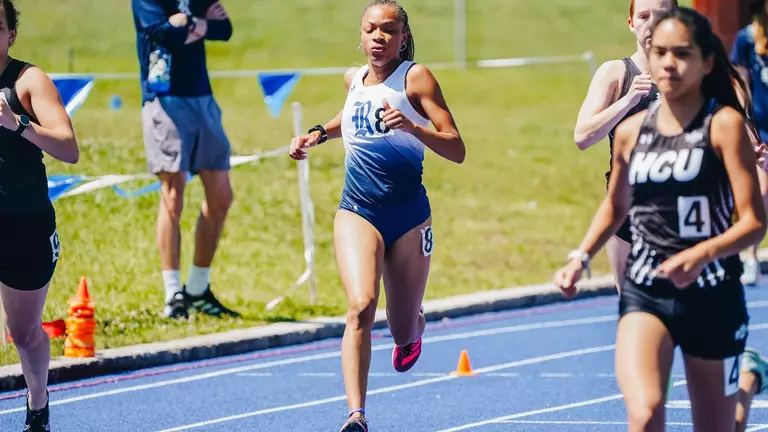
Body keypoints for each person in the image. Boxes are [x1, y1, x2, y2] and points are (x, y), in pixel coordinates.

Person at [554, 7, 768, 430]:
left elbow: (753, 222)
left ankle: (746, 380)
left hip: (710, 291)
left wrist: (702, 255)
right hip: (646, 288)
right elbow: (616, 207)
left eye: (682, 54)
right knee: (646, 411)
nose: (669, 63)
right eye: (662, 52)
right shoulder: (632, 131)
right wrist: (581, 256)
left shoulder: (723, 125)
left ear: (706, 62)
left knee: (720, 426)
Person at [289, 1, 465, 430]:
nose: (379, 38)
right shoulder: (354, 79)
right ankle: (357, 416)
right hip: (358, 210)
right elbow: (349, 116)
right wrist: (316, 134)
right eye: (371, 29)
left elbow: (456, 148)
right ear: (361, 34)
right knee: (361, 305)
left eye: (389, 30)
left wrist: (412, 126)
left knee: (401, 328)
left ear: (403, 37)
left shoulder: (417, 78)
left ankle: (415, 327)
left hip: (408, 217)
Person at [0, 0, 80, 430]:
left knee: (24, 332)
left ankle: (37, 401)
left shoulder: (27, 81)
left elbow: (69, 148)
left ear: (10, 33)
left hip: (24, 224)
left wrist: (18, 124)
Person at [132, 0, 239, 319]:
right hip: (164, 99)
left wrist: (188, 24)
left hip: (203, 99)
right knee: (173, 196)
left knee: (221, 196)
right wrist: (198, 26)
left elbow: (225, 29)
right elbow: (164, 35)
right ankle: (172, 293)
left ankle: (197, 288)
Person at [573, 0, 678, 293]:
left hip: (681, 208)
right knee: (632, 310)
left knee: (684, 315)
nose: (652, 23)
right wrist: (628, 100)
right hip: (627, 208)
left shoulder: (693, 75)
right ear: (631, 23)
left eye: (662, 15)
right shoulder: (616, 73)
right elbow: (582, 136)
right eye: (643, 16)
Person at [731, 0, 768, 286]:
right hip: (762, 126)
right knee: (761, 191)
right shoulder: (747, 37)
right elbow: (740, 80)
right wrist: (745, 122)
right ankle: (750, 255)